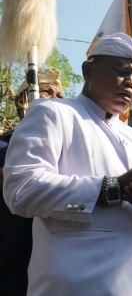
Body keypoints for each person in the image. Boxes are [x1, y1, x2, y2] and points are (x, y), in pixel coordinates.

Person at [3, 33, 132, 296]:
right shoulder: (53, 113)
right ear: (89, 70)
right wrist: (111, 188)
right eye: (122, 72)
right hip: (81, 285)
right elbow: (22, 189)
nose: (130, 83)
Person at [0, 68, 63, 296]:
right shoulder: (4, 146)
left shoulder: (71, 152)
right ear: (21, 101)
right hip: (12, 271)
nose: (56, 99)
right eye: (47, 92)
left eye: (60, 95)